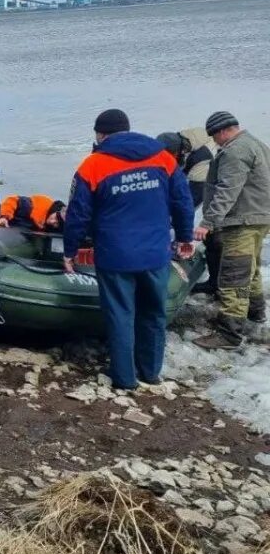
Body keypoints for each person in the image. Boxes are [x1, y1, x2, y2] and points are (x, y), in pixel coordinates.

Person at [62, 109, 195, 389]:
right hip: (155, 254)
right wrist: (184, 236)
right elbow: (183, 202)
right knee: (153, 313)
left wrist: (70, 250)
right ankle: (150, 371)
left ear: (100, 135)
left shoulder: (92, 165)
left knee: (120, 315)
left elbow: (78, 214)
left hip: (115, 256)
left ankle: (124, 378)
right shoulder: (163, 158)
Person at [192, 112, 270, 349]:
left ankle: (229, 334)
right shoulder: (257, 144)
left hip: (241, 221)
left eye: (214, 136)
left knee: (233, 275)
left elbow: (228, 190)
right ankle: (255, 314)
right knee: (251, 269)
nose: (215, 141)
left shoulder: (235, 152)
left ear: (224, 130)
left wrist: (208, 222)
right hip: (259, 217)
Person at [157, 127, 222, 295]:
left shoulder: (202, 158)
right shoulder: (180, 140)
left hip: (220, 193)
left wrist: (172, 223)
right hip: (213, 186)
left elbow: (192, 199)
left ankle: (216, 285)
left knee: (214, 238)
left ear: (180, 151)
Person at [0, 194, 66, 232]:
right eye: (56, 217)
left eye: (56, 223)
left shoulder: (55, 229)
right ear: (56, 211)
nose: (52, 221)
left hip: (24, 232)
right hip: (5, 224)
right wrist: (4, 217)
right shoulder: (33, 206)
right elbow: (12, 200)